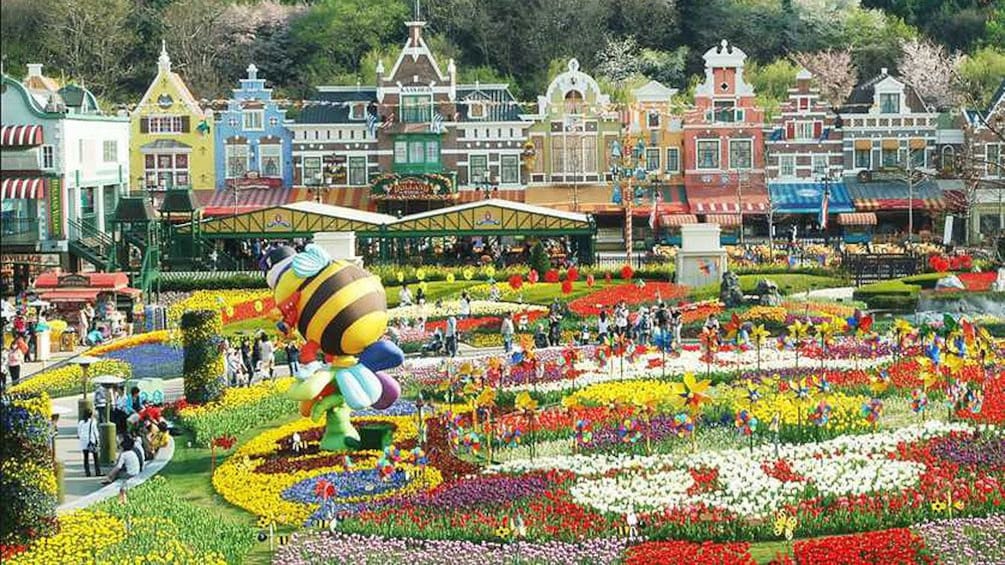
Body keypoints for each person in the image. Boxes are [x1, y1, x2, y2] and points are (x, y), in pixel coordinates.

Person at [77, 409, 101, 477]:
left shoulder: (81, 422)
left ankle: (87, 472)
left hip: (83, 441)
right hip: (91, 440)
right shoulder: (93, 422)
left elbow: (79, 432)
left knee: (86, 457)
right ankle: (97, 472)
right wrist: (98, 440)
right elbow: (95, 432)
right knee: (95, 457)